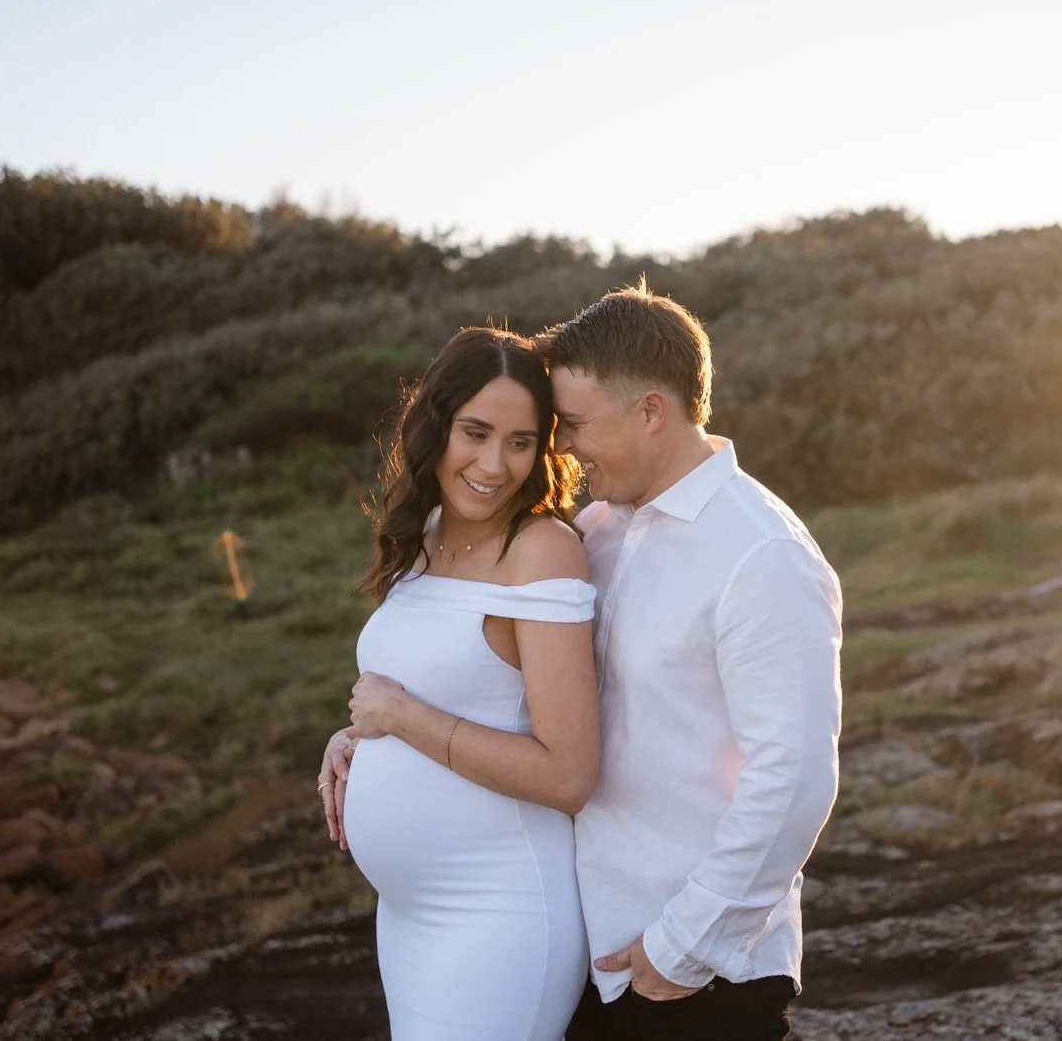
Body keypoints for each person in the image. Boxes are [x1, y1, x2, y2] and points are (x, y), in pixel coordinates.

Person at [323, 283, 843, 1041]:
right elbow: (519, 690)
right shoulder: (598, 529)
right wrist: (375, 739)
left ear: (652, 412)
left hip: (691, 968)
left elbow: (794, 777)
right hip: (600, 952)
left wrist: (682, 946)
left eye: (573, 425)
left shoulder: (759, 555)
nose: (563, 448)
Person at [319, 325, 601, 1040]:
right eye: (474, 432)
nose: (494, 463)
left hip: (499, 910)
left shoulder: (540, 551)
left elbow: (568, 774)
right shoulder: (426, 531)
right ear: (435, 423)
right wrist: (358, 736)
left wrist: (401, 717)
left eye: (520, 441)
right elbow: (440, 687)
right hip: (409, 911)